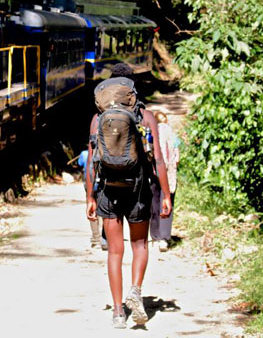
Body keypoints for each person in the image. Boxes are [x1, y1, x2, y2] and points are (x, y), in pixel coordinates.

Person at [86, 63, 172, 329]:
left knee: (114, 251)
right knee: (139, 245)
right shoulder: (146, 117)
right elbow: (158, 158)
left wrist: (90, 197)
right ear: (133, 90)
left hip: (108, 192)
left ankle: (117, 312)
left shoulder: (98, 119)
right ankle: (135, 291)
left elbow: (91, 162)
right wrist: (166, 195)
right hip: (138, 191)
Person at [151, 111, 180, 251]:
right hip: (168, 173)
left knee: (153, 202)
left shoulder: (151, 134)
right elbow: (177, 157)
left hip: (153, 172)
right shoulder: (172, 135)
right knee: (167, 202)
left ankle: (155, 236)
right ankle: (164, 238)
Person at [78, 149, 108, 250]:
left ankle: (95, 239)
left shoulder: (84, 153)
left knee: (92, 208)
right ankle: (104, 238)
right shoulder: (105, 150)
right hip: (102, 183)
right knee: (104, 208)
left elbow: (80, 164)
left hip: (89, 183)